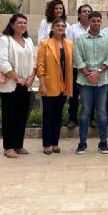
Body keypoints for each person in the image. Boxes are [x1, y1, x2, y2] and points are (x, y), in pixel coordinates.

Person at [73, 11, 108, 155]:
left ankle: (103, 142)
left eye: (98, 21)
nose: (96, 24)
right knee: (85, 111)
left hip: (102, 80)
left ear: (101, 22)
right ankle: (82, 143)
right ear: (89, 21)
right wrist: (88, 74)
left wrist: (97, 72)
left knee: (102, 112)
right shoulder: (80, 39)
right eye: (93, 21)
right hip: (85, 82)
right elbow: (77, 58)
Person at [0, 13, 36, 158]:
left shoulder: (28, 41)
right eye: (19, 23)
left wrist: (32, 77)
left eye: (25, 23)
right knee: (9, 116)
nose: (23, 25)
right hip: (11, 84)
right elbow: (3, 62)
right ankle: (8, 147)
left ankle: (19, 144)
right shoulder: (4, 40)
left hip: (26, 84)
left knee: (22, 116)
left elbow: (34, 60)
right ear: (12, 25)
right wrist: (17, 78)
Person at [36, 18, 73, 155]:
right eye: (58, 25)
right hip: (49, 85)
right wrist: (42, 84)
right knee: (48, 116)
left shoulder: (69, 44)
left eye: (63, 25)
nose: (60, 27)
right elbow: (40, 65)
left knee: (58, 116)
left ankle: (55, 142)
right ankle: (47, 144)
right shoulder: (45, 44)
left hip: (64, 85)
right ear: (52, 28)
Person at [65, 4, 92, 129]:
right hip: (76, 67)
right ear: (79, 14)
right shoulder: (72, 29)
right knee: (74, 94)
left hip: (92, 67)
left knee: (91, 94)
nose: (86, 13)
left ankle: (91, 119)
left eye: (88, 11)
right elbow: (69, 48)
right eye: (84, 11)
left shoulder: (95, 28)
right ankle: (72, 118)